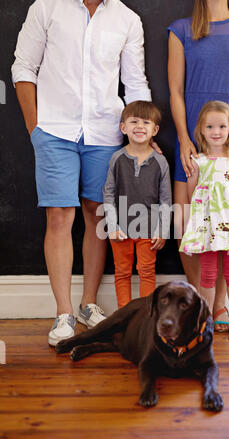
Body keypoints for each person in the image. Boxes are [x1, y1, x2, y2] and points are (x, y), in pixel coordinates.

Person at [11, 0, 153, 346]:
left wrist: (146, 133)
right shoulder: (46, 7)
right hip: (54, 131)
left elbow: (134, 83)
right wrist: (35, 129)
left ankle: (88, 304)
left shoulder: (127, 19)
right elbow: (24, 67)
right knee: (59, 216)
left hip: (105, 133)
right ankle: (63, 313)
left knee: (97, 213)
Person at [168, 0, 229, 332]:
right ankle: (198, 304)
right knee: (187, 224)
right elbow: (176, 91)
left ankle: (220, 304)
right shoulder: (181, 29)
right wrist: (183, 138)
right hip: (194, 135)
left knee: (227, 229)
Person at [180, 101, 229, 340]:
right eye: (210, 126)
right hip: (207, 226)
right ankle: (205, 321)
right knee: (208, 273)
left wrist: (228, 216)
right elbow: (192, 194)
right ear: (201, 131)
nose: (216, 132)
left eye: (222, 126)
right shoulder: (198, 161)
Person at [103, 101, 172, 309]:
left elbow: (166, 200)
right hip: (121, 229)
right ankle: (124, 315)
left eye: (145, 122)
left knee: (146, 271)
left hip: (149, 229)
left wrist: (162, 231)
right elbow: (108, 192)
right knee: (122, 272)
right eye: (134, 121)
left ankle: (146, 316)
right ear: (123, 127)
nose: (139, 126)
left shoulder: (160, 162)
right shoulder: (117, 158)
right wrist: (112, 226)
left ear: (155, 130)